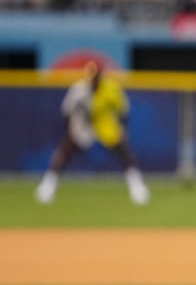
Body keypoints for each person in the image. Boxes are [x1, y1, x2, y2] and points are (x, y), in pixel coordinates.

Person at [35, 62, 150, 205]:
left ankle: (137, 187)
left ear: (101, 76)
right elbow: (67, 112)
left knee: (124, 151)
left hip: (104, 125)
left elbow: (123, 110)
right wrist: (70, 131)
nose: (94, 80)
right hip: (83, 126)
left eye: (96, 77)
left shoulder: (111, 88)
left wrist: (121, 128)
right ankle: (48, 186)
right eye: (92, 77)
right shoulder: (79, 89)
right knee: (65, 150)